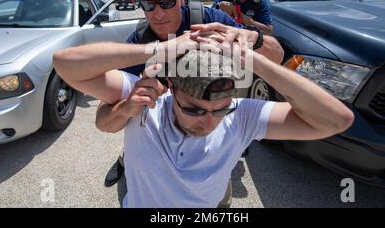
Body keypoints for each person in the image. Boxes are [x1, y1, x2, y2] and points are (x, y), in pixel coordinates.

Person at [53, 33, 355, 208]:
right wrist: (160, 49)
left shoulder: (244, 115)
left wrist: (255, 61)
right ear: (171, 85)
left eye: (220, 109)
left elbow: (336, 121)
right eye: (194, 110)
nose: (209, 122)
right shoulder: (145, 98)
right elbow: (64, 63)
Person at [99, 0, 285, 188]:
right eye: (147, 4)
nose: (157, 14)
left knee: (217, 198)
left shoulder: (208, 22)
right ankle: (125, 158)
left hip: (207, 134)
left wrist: (253, 37)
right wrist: (125, 108)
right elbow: (103, 121)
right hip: (158, 138)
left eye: (166, 2)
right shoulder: (140, 40)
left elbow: (277, 55)